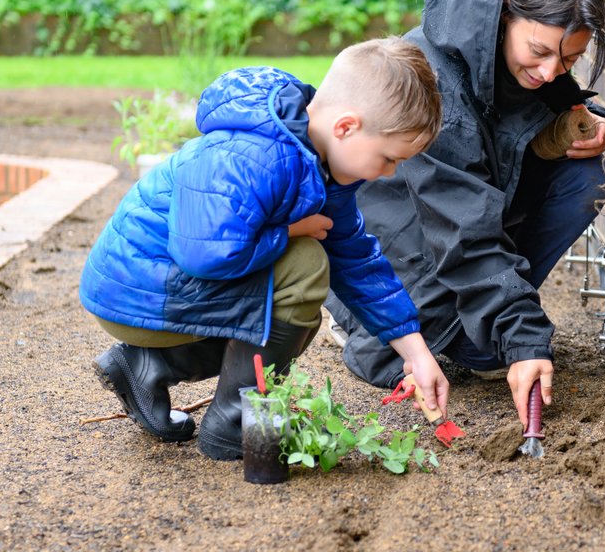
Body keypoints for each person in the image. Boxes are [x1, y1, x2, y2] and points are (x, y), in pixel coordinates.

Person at [79, 37, 450, 459]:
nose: (389, 174)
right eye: (388, 158)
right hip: (138, 292)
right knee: (305, 268)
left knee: (302, 295)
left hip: (162, 292)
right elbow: (205, 253)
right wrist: (291, 231)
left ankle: (148, 368)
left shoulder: (320, 163)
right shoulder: (256, 154)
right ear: (346, 127)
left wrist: (416, 352)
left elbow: (357, 260)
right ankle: (235, 425)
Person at [327, 0, 605, 429]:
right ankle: (358, 314)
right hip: (405, 240)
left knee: (583, 175)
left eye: (567, 61)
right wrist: (524, 338)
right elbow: (465, 228)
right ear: (504, 16)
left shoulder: (519, 62)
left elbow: (521, 125)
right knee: (397, 356)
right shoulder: (439, 88)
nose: (549, 72)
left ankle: (486, 325)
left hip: (460, 226)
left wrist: (583, 119)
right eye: (539, 52)